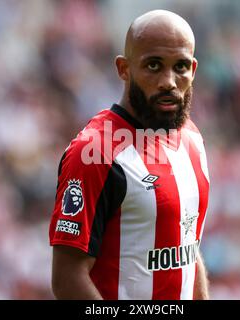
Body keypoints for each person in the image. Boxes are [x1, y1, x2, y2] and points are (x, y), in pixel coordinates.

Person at [49, 9, 210, 300]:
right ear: (124, 68)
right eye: (153, 65)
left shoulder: (192, 140)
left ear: (194, 70)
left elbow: (188, 251)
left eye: (181, 67)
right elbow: (67, 279)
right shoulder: (95, 153)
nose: (169, 81)